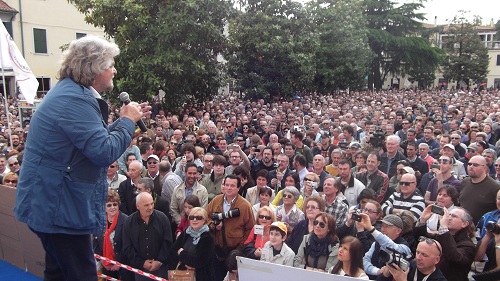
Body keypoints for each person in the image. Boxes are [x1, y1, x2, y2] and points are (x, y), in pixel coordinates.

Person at [14, 36, 148, 281]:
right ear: (95, 68)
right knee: (81, 274)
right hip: (59, 208)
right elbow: (103, 152)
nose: (114, 70)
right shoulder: (74, 100)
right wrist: (128, 121)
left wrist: (124, 121)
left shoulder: (73, 93)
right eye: (110, 65)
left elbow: (90, 142)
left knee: (58, 272)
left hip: (54, 203)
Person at [206, 175, 255, 281]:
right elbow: (206, 217)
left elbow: (250, 229)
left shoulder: (245, 205)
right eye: (226, 185)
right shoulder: (216, 200)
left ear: (238, 188)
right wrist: (213, 225)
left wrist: (240, 248)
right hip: (217, 250)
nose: (228, 188)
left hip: (235, 249)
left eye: (232, 186)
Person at [414, 206, 475, 281]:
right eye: (449, 215)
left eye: (454, 216)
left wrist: (443, 228)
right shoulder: (442, 236)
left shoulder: (468, 245)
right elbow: (421, 239)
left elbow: (454, 257)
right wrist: (423, 220)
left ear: (464, 224)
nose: (449, 218)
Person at [122, 190, 173, 280]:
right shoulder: (129, 222)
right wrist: (141, 263)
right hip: (140, 270)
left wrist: (159, 261)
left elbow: (168, 242)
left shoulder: (162, 218)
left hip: (161, 269)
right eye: (146, 205)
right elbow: (127, 247)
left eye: (151, 204)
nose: (150, 207)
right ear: (138, 206)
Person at [93, 190, 131, 280]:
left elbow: (128, 245)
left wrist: (119, 263)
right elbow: (95, 243)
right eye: (109, 205)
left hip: (123, 267)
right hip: (106, 265)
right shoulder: (99, 221)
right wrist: (102, 261)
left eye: (115, 204)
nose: (112, 207)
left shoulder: (126, 221)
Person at [361, 214, 413, 280]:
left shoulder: (404, 247)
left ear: (398, 231)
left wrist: (371, 229)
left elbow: (390, 246)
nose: (383, 229)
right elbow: (364, 261)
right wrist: (377, 271)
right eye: (382, 226)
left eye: (387, 226)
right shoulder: (376, 244)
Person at [171, 207, 216, 281]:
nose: (194, 220)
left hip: (201, 277)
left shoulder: (208, 238)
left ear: (204, 220)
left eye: (198, 218)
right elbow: (172, 251)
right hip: (183, 275)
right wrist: (187, 261)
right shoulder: (186, 233)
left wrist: (182, 253)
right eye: (192, 217)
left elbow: (199, 261)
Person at [460, 155, 500, 224]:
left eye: (475, 165)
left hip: (482, 230)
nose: (471, 167)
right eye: (469, 164)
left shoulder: (495, 187)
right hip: (463, 228)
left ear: (484, 168)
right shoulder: (464, 182)